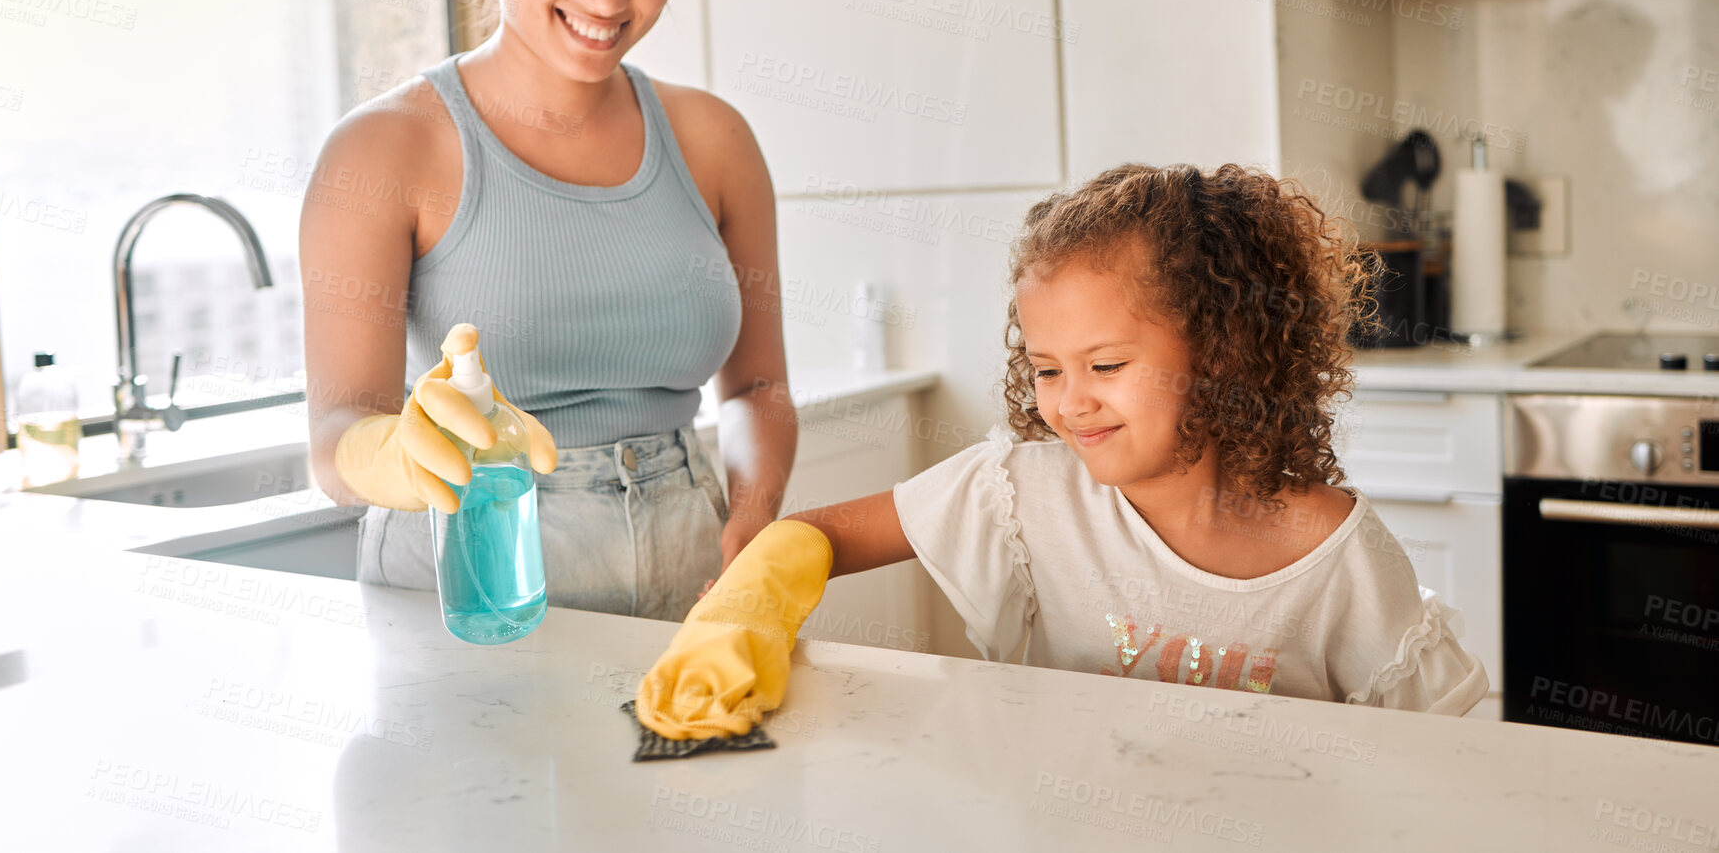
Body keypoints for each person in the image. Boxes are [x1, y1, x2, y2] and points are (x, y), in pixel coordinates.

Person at [636, 163, 1488, 740]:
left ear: (1224, 351)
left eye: (1106, 366)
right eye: (1045, 368)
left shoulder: (1331, 557)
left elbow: (1441, 751)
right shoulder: (1022, 490)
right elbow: (823, 535)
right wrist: (746, 604)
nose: (1069, 401)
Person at [300, 0, 794, 623]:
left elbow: (756, 391)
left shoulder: (713, 141)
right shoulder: (384, 151)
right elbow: (336, 436)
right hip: (474, 574)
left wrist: (751, 517)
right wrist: (398, 456)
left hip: (692, 560)